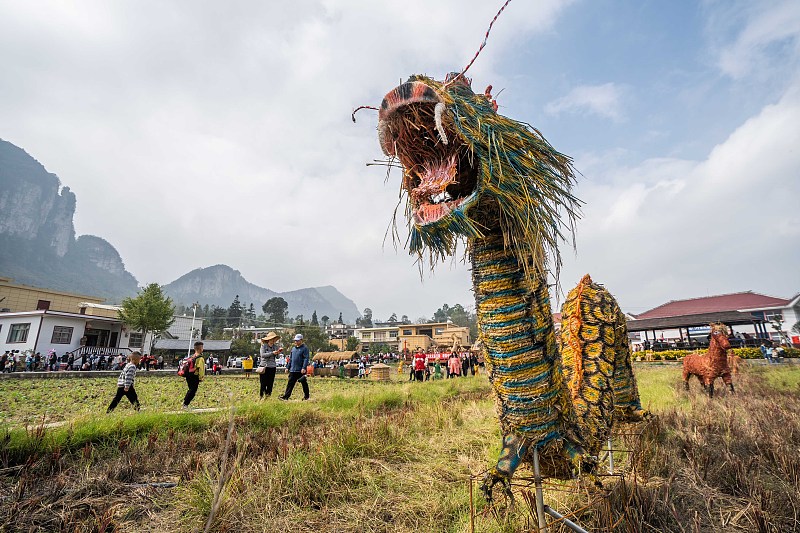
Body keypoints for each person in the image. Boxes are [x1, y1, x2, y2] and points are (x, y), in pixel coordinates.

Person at [279, 334, 310, 401]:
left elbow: (306, 359)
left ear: (301, 340)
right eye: (295, 340)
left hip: (300, 370)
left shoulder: (305, 348)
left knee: (304, 383)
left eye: (297, 340)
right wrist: (288, 367)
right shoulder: (293, 349)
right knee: (290, 384)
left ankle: (306, 396)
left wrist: (304, 367)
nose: (296, 342)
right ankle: (286, 397)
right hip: (293, 370)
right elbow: (291, 359)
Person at [182, 341, 206, 410]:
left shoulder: (192, 356)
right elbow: (201, 369)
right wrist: (201, 377)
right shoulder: (200, 358)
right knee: (193, 391)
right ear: (200, 348)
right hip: (194, 376)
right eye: (202, 347)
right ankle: (185, 404)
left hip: (188, 375)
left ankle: (185, 403)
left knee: (190, 389)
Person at [258, 332, 282, 398]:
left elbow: (277, 357)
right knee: (263, 383)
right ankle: (261, 396)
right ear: (268, 339)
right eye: (271, 339)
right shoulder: (263, 346)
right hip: (264, 366)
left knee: (270, 383)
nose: (273, 340)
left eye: (274, 339)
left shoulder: (275, 347)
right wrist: (272, 353)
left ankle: (268, 397)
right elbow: (262, 355)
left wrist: (278, 353)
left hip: (272, 367)